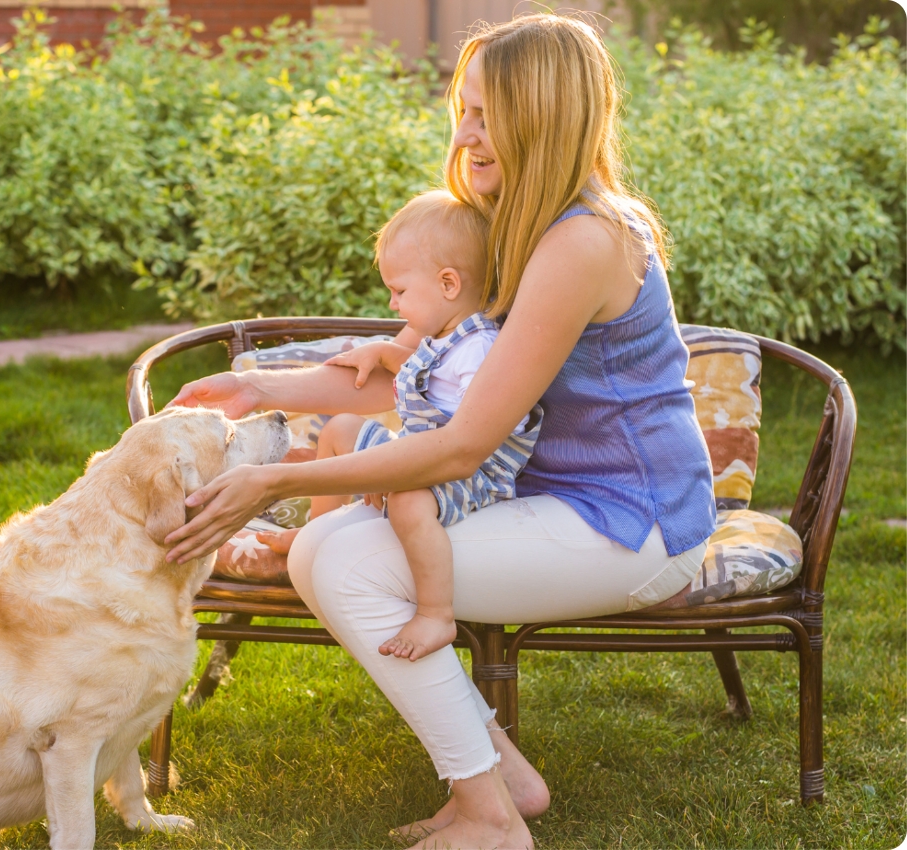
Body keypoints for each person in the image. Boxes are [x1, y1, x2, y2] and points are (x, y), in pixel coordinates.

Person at [165, 13, 716, 850]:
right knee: (333, 549)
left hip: (629, 524)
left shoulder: (583, 242)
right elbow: (428, 376)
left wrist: (273, 482)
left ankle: (489, 818)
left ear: (545, 112)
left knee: (338, 559)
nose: (464, 137)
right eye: (462, 112)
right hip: (551, 504)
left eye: (484, 114)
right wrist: (254, 384)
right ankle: (500, 780)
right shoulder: (517, 223)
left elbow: (462, 444)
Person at [260, 189, 540, 663]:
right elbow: (430, 379)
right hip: (421, 452)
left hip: (470, 473)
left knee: (410, 501)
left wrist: (390, 474)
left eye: (400, 291)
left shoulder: (481, 349)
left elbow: (474, 427)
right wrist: (386, 353)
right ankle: (314, 529)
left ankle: (436, 613)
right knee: (339, 430)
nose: (392, 304)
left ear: (449, 283)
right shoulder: (448, 335)